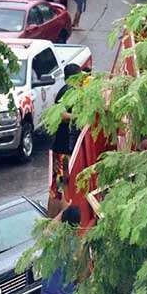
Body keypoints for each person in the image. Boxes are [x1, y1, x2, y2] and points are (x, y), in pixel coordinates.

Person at [47, 66, 89, 215]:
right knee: (61, 188)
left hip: (65, 149)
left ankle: (54, 220)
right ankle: (56, 221)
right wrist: (79, 117)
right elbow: (61, 114)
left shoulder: (70, 91)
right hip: (63, 150)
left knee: (62, 187)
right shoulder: (67, 91)